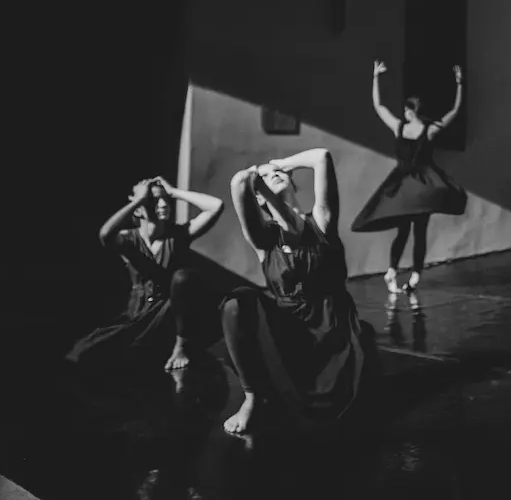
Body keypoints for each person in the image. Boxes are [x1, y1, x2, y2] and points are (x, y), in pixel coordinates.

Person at [222, 149, 371, 435]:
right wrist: (256, 178)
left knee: (340, 412)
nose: (274, 175)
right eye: (266, 176)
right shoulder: (264, 239)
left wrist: (279, 165)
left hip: (331, 329)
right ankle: (251, 397)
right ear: (258, 198)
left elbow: (322, 156)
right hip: (290, 330)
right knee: (236, 304)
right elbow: (239, 183)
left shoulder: (322, 220)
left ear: (292, 181)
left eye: (280, 174)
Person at [67, 176, 224, 372]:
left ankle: (181, 347)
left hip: (171, 317)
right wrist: (138, 200)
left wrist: (174, 192)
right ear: (138, 209)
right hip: (138, 317)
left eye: (166, 199)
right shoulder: (128, 239)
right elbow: (105, 234)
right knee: (84, 354)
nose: (163, 204)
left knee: (183, 278)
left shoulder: (178, 235)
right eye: (154, 200)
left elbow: (216, 206)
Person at [352, 60, 468, 293]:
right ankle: (411, 274)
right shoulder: (424, 130)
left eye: (406, 110)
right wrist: (459, 84)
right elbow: (454, 112)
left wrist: (376, 78)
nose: (404, 113)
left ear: (411, 112)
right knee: (417, 231)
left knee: (405, 230)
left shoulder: (405, 127)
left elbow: (379, 106)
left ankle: (396, 271)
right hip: (419, 185)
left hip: (407, 184)